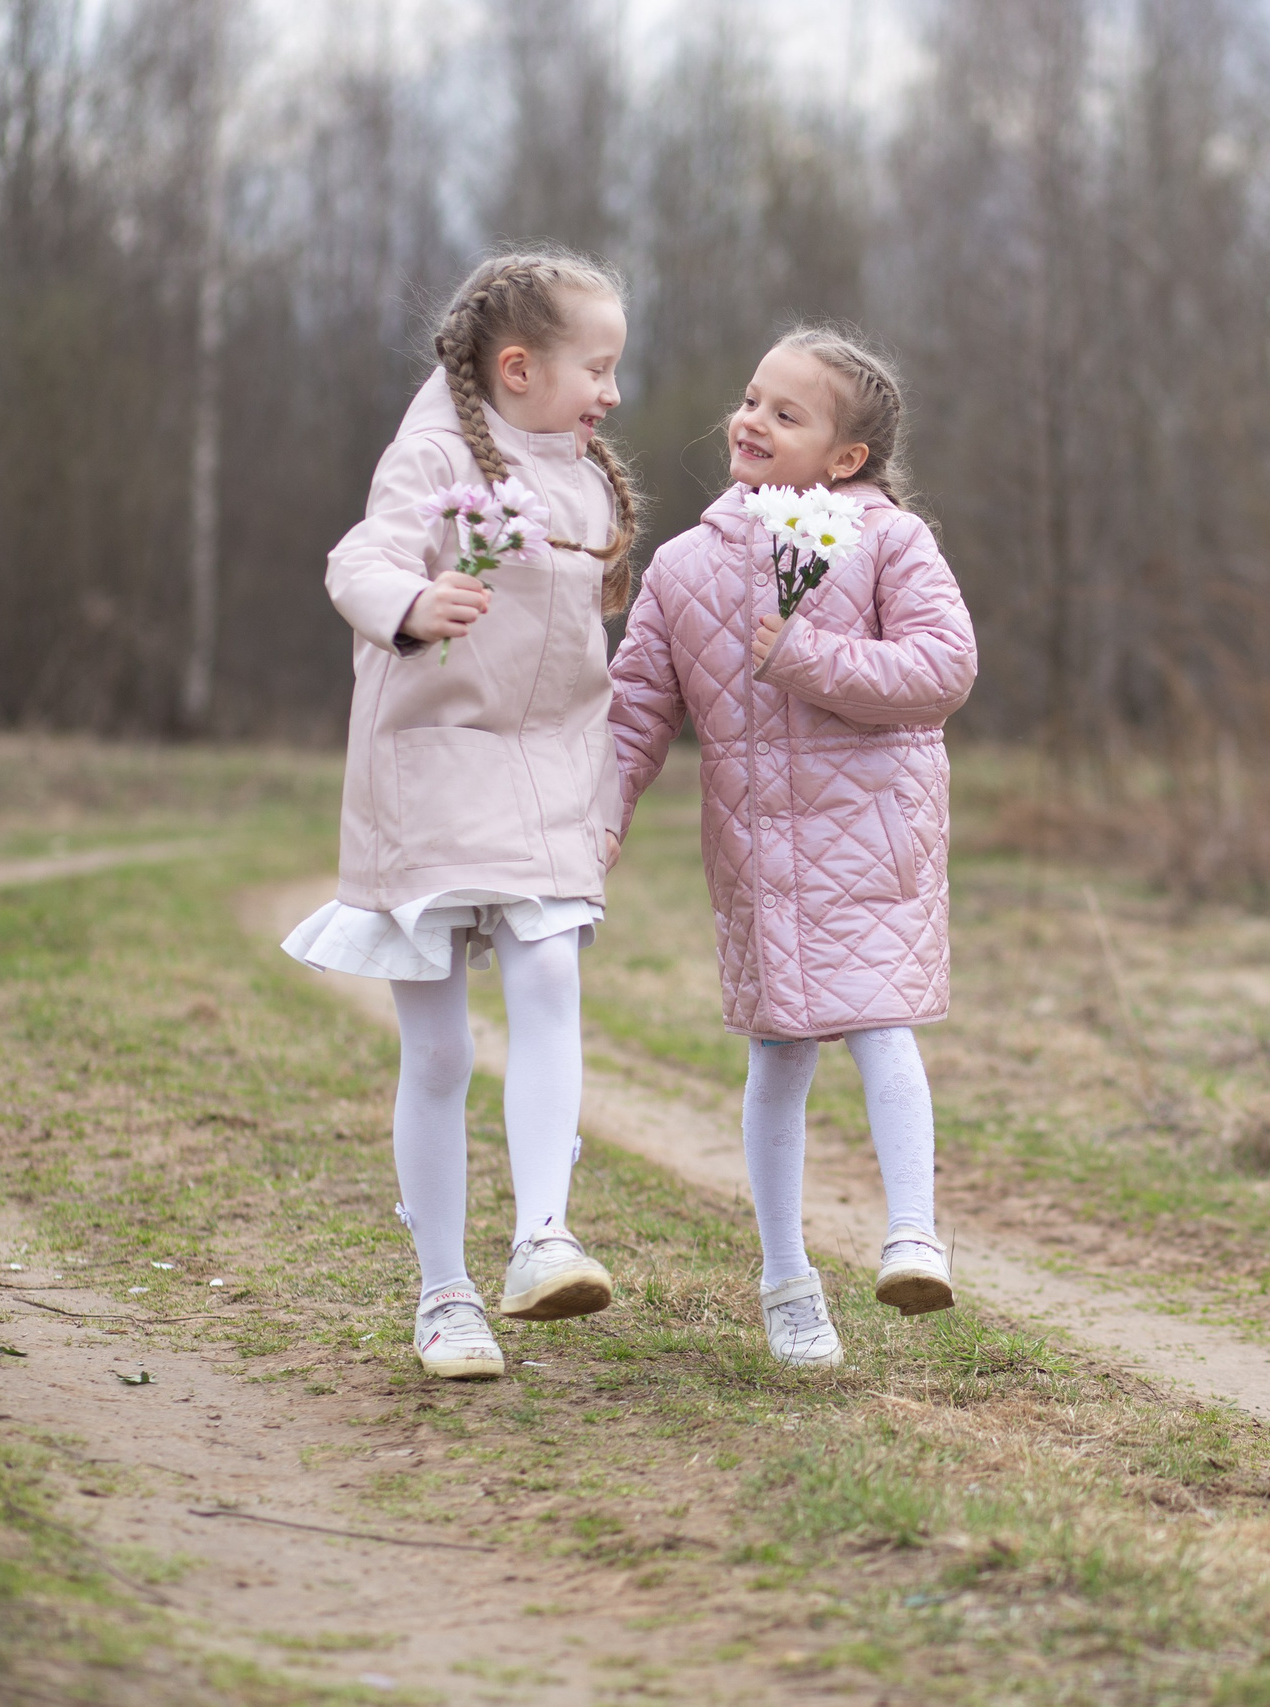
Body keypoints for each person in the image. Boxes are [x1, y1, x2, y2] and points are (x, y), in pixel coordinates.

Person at [282, 249, 640, 1381]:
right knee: (436, 1050)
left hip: (544, 778)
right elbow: (360, 560)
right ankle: (444, 1296)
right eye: (600, 366)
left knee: (548, 980)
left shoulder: (583, 478)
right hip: (430, 774)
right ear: (520, 366)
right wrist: (412, 603)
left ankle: (543, 1238)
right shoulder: (433, 451)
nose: (613, 393)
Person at [608, 327, 977, 1368]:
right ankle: (785, 1282)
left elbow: (943, 669)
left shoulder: (891, 544)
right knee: (776, 1054)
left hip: (874, 835)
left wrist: (805, 655)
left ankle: (913, 1234)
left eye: (785, 412)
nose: (750, 420)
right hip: (760, 850)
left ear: (846, 459)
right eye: (750, 398)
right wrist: (598, 819)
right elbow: (636, 711)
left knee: (881, 1025)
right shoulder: (683, 568)